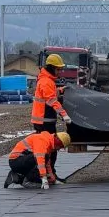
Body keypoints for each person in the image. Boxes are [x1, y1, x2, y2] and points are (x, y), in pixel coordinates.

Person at [32, 54, 72, 183]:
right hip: (44, 122)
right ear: (51, 68)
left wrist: (60, 90)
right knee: (49, 150)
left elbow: (50, 94)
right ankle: (47, 175)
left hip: (45, 121)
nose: (60, 72)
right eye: (58, 69)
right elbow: (51, 100)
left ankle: (50, 175)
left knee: (50, 150)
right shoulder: (45, 81)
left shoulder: (47, 80)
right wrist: (64, 115)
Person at [4, 131, 71, 189]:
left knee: (40, 178)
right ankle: (28, 181)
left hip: (20, 160)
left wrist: (53, 179)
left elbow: (47, 163)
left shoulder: (48, 142)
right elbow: (40, 160)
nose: (58, 149)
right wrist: (44, 178)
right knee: (40, 168)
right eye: (60, 147)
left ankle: (15, 176)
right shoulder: (42, 140)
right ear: (58, 142)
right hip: (16, 161)